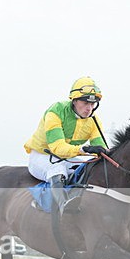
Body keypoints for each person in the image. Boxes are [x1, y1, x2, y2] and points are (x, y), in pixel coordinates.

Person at [23, 77, 108, 214]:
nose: (89, 108)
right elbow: (58, 148)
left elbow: (100, 148)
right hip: (42, 156)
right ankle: (63, 204)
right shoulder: (56, 111)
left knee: (88, 169)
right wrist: (83, 149)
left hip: (67, 158)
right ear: (74, 100)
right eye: (85, 102)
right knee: (57, 169)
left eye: (93, 104)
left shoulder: (94, 120)